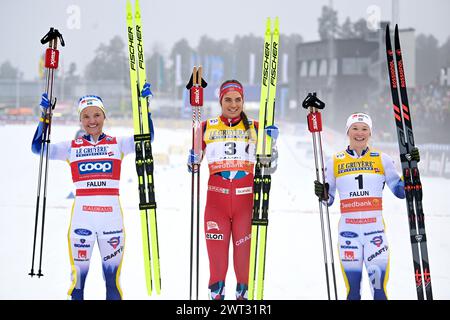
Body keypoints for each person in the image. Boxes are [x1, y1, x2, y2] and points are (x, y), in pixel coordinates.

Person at [31, 90, 152, 300]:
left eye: (96, 115)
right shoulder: (72, 147)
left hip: (111, 223)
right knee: (77, 284)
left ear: (104, 116)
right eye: (86, 116)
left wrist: (145, 110)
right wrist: (45, 117)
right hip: (82, 222)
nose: (92, 121)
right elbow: (37, 148)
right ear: (80, 120)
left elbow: (147, 138)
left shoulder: (118, 143)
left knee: (113, 285)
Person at [187, 80, 278, 300]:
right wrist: (192, 159)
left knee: (243, 264)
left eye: (238, 99)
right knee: (217, 266)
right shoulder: (206, 126)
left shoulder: (256, 128)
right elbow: (193, 166)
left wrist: (272, 147)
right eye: (228, 99)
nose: (233, 104)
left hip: (245, 203)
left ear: (243, 101)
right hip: (216, 204)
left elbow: (271, 168)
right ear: (220, 101)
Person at [314, 112, 420, 300]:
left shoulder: (382, 159)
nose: (359, 133)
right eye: (355, 128)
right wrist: (322, 192)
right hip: (348, 236)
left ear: (370, 133)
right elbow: (328, 199)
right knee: (353, 292)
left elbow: (401, 192)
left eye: (364, 129)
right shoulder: (335, 161)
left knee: (379, 290)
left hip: (375, 237)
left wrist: (411, 167)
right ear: (348, 131)